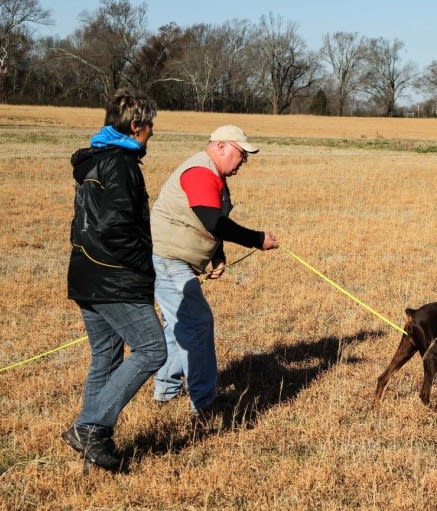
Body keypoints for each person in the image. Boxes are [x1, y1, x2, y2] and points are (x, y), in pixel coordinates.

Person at [63, 88, 167, 471]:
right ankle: (90, 426)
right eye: (150, 125)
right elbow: (115, 227)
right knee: (153, 349)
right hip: (114, 278)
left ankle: (94, 450)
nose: (153, 132)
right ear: (136, 126)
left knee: (105, 358)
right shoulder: (121, 164)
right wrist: (143, 267)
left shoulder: (94, 161)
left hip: (85, 275)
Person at [151, 124, 279, 415]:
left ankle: (167, 390)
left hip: (175, 259)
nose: (243, 161)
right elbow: (214, 222)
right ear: (221, 146)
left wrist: (216, 253)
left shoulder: (214, 174)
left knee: (178, 325)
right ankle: (205, 403)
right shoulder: (200, 172)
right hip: (168, 259)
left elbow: (205, 220)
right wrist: (258, 239)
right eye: (240, 153)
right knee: (197, 323)